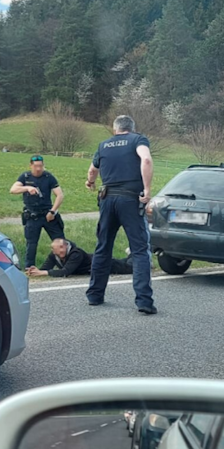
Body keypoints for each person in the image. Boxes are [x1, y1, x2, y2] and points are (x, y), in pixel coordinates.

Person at [84, 115, 156, 314]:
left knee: (103, 247)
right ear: (131, 128)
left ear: (114, 129)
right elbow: (146, 159)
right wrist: (147, 190)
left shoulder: (103, 145)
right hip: (130, 200)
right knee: (140, 250)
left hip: (107, 199)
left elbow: (92, 171)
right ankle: (144, 301)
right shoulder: (137, 140)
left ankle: (95, 295)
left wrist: (91, 182)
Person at [10, 155, 65, 268]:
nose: (39, 169)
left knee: (61, 241)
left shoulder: (48, 177)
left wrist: (53, 211)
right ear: (31, 166)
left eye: (41, 166)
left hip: (48, 215)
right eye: (36, 166)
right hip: (32, 216)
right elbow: (13, 190)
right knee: (31, 244)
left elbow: (59, 195)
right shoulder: (25, 177)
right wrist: (27, 188)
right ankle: (30, 268)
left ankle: (66, 265)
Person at [26, 238, 134, 278]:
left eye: (59, 250)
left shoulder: (76, 253)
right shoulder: (55, 254)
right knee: (123, 262)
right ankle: (131, 254)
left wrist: (44, 273)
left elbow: (66, 272)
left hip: (103, 264)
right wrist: (36, 270)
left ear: (64, 246)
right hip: (95, 264)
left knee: (130, 268)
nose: (57, 253)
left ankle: (137, 255)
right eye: (55, 251)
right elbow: (46, 268)